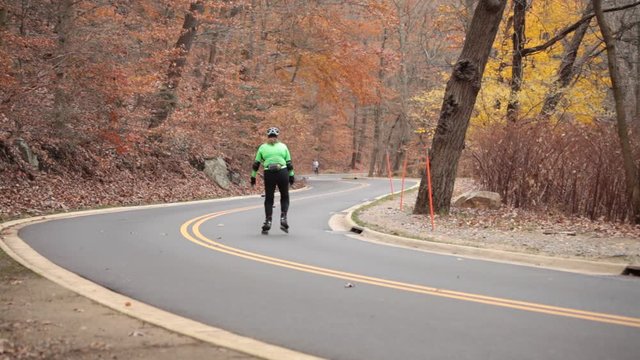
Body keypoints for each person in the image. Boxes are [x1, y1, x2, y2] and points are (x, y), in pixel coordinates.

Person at [250, 127, 295, 234]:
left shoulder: (262, 147)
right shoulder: (283, 146)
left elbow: (256, 164)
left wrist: (253, 177)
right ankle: (283, 217)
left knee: (269, 198)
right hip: (282, 172)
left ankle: (268, 221)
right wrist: (291, 175)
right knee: (284, 196)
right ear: (277, 136)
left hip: (269, 173)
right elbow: (289, 163)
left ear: (268, 136)